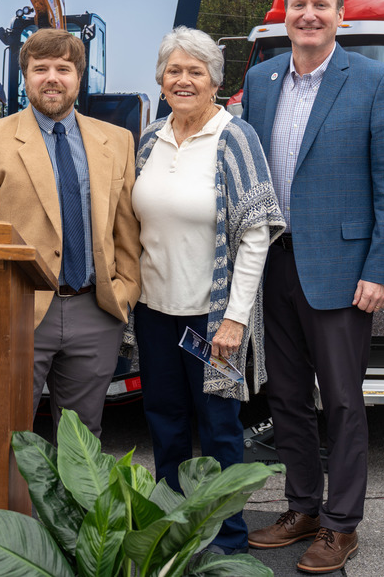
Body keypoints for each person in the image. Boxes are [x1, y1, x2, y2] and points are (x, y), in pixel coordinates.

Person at [241, 0, 384, 573]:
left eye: (321, 5)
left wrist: (380, 270)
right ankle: (303, 508)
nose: (308, 14)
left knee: (342, 401)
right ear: (283, 16)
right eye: (299, 4)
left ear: (341, 17)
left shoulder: (374, 81)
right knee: (285, 396)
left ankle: (342, 524)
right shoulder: (260, 81)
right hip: (273, 265)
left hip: (343, 271)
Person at [133, 27, 285, 555]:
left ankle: (228, 542)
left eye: (195, 71)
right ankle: (175, 535)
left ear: (215, 81)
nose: (183, 79)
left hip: (211, 319)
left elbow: (256, 234)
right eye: (174, 70)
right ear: (160, 78)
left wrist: (235, 318)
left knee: (219, 428)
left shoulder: (234, 138)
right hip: (154, 312)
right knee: (164, 422)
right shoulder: (150, 140)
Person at [0, 28, 140, 436]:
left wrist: (124, 292)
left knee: (82, 442)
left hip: (96, 312)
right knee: (6, 437)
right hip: (18, 313)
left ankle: (73, 506)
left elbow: (126, 229)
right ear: (25, 77)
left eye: (63, 68)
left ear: (78, 77)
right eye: (40, 69)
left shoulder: (118, 141)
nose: (51, 77)